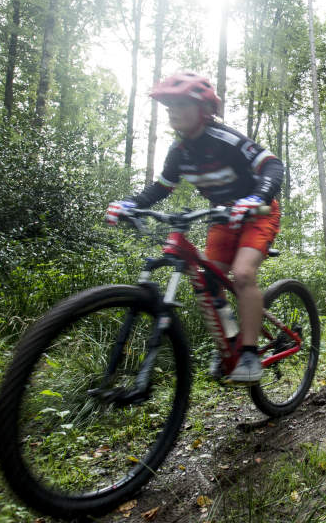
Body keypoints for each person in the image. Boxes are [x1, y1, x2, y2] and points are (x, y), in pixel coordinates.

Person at [104, 72, 284, 384]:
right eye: (169, 105)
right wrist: (131, 203)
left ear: (203, 109)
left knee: (242, 275)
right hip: (222, 217)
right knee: (207, 281)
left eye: (181, 104)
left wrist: (257, 196)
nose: (173, 110)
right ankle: (229, 343)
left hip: (258, 212)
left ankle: (251, 353)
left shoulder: (225, 140)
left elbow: (272, 165)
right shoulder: (179, 152)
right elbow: (162, 187)